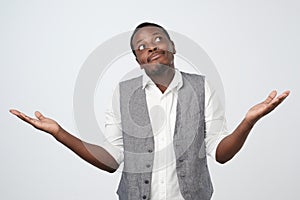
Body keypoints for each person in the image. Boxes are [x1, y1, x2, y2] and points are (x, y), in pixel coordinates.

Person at [10, 22, 290, 200]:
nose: (150, 47)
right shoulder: (123, 93)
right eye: (141, 47)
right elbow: (111, 160)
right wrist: (59, 133)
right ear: (138, 60)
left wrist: (247, 122)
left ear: (172, 47)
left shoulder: (202, 88)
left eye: (157, 39)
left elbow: (221, 154)